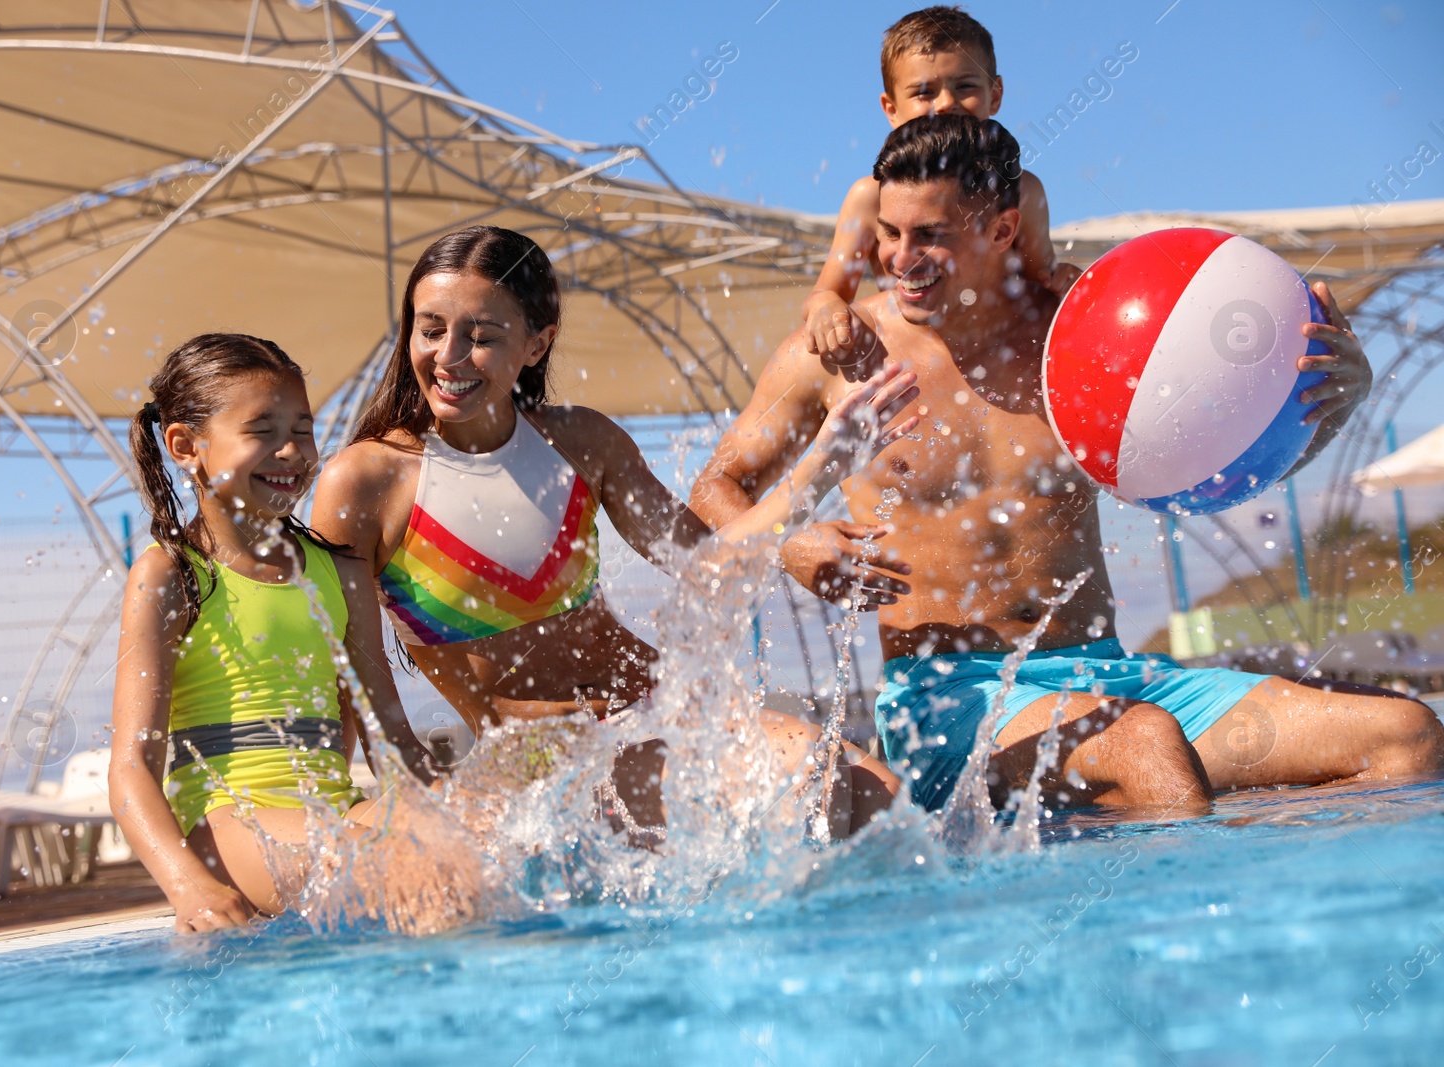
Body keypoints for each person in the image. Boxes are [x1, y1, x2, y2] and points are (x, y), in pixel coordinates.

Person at [692, 114, 1444, 815]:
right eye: (888, 232)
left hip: (1114, 677)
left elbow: (1208, 470)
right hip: (948, 699)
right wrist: (793, 545)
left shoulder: (1080, 339)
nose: (897, 259)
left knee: (1406, 734)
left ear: (1002, 229)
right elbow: (711, 492)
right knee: (1147, 750)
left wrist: (1330, 403)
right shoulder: (837, 356)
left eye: (931, 235)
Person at [311, 226, 918, 841]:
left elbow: (708, 566)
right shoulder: (367, 481)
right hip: (544, 762)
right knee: (810, 781)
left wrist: (819, 471)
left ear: (536, 343)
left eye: (482, 337)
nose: (449, 357)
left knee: (883, 799)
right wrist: (385, 787)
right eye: (431, 329)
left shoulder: (581, 443)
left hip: (665, 714)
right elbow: (341, 659)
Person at [108, 333, 488, 936]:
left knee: (484, 856)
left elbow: (390, 743)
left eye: (303, 430)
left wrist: (454, 808)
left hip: (335, 808)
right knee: (411, 872)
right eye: (262, 431)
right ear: (187, 446)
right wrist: (187, 886)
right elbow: (131, 767)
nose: (291, 452)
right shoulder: (171, 576)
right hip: (229, 822)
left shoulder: (340, 572)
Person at [801, 6, 1080, 365]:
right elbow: (826, 291)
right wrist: (826, 309)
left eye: (965, 86)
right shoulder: (871, 197)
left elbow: (1041, 279)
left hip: (998, 356)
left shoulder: (1021, 190)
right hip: (916, 354)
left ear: (995, 94)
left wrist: (1067, 281)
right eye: (924, 91)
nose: (946, 103)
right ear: (891, 108)